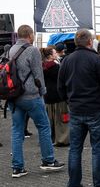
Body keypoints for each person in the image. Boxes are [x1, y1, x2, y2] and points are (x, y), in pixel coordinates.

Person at [58, 29, 100, 187]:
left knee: (75, 148)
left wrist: (69, 101)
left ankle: (73, 183)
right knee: (98, 148)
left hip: (76, 109)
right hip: (96, 109)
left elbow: (60, 86)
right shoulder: (97, 60)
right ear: (90, 42)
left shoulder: (67, 61)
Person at [8, 25, 65, 178]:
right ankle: (48, 160)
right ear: (29, 35)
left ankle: (17, 167)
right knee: (44, 126)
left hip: (14, 96)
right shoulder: (32, 50)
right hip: (30, 95)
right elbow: (38, 75)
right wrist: (42, 92)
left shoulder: (11, 50)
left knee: (16, 130)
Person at [41, 46, 70, 147]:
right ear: (50, 56)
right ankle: (62, 139)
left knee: (50, 120)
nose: (56, 54)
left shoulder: (42, 66)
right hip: (58, 95)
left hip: (47, 96)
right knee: (62, 118)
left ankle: (49, 138)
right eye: (54, 53)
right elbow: (62, 80)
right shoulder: (56, 66)